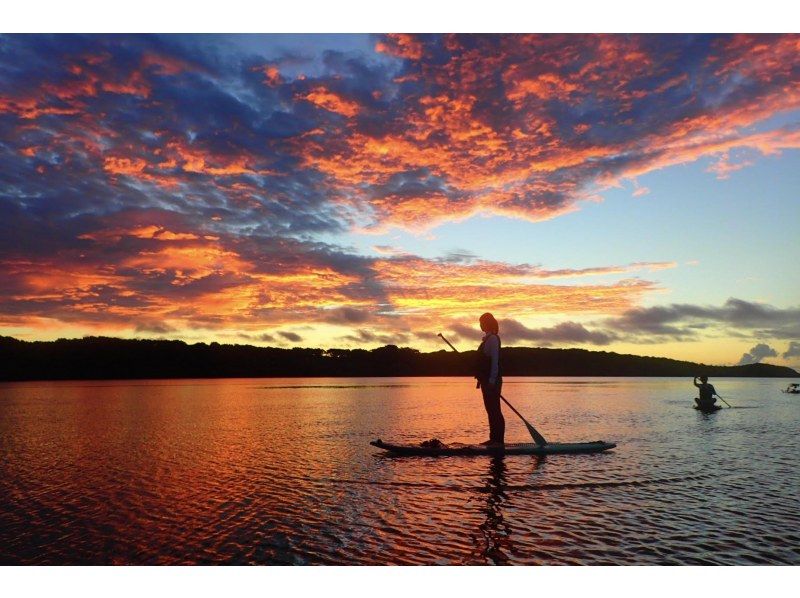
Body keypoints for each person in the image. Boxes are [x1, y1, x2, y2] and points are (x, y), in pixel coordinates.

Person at [475, 313, 504, 445]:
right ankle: (494, 439)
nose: (480, 325)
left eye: (481, 322)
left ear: (486, 323)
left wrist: (492, 381)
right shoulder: (486, 339)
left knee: (494, 410)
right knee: (490, 410)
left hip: (492, 381)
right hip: (486, 380)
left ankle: (497, 440)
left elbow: (494, 361)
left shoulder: (492, 339)